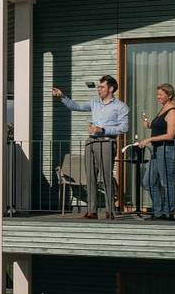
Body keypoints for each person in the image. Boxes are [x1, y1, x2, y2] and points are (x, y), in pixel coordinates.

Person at [51, 76, 129, 219]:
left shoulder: (120, 106)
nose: (99, 89)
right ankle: (92, 211)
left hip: (106, 142)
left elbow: (124, 127)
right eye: (99, 87)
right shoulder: (94, 103)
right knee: (90, 177)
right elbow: (77, 106)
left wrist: (103, 129)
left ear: (111, 88)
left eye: (102, 87)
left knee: (106, 177)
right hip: (91, 142)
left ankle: (110, 210)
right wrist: (62, 96)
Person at [135, 83, 175, 220]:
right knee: (148, 181)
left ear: (169, 95)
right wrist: (148, 124)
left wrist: (149, 139)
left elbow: (170, 135)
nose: (158, 97)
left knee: (167, 182)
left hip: (167, 149)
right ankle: (159, 210)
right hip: (157, 150)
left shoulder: (173, 111)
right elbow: (160, 127)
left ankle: (169, 213)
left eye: (161, 94)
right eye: (157, 94)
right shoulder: (163, 109)